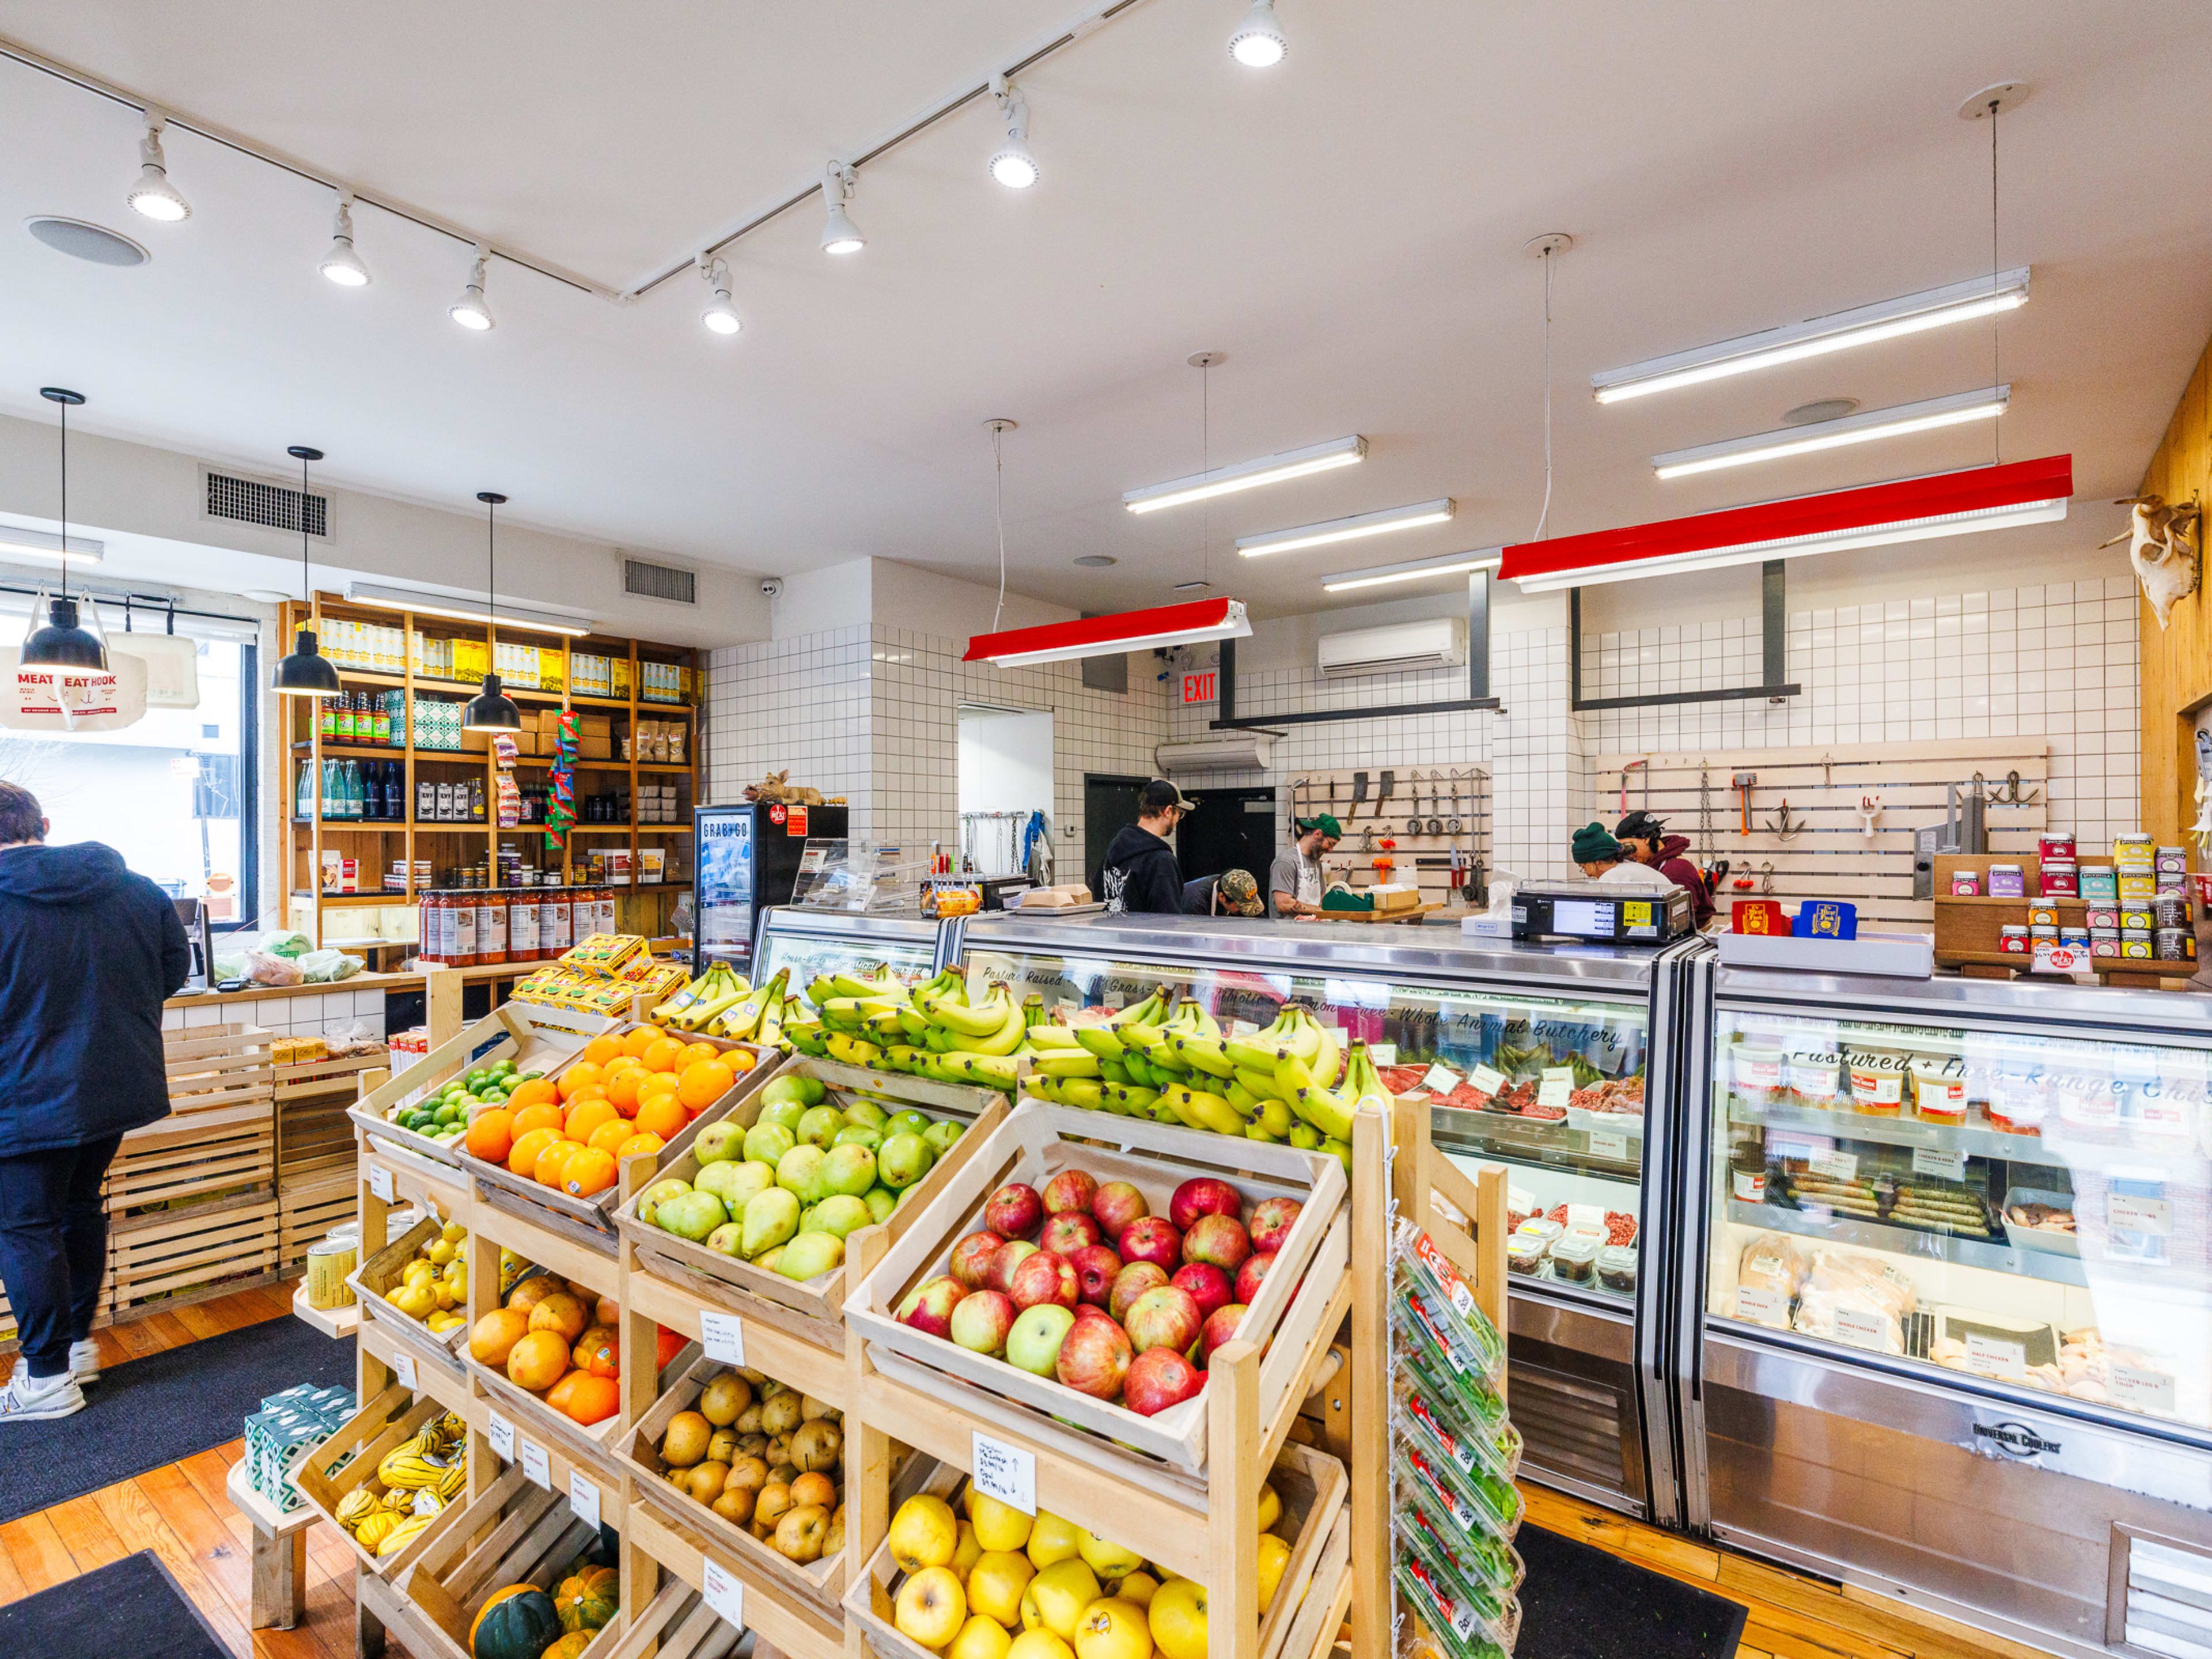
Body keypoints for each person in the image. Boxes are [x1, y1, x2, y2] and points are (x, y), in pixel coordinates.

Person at [0, 783, 189, 1422]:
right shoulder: (136, 890)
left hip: (21, 1097)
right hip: (113, 1088)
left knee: (27, 1227)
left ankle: (47, 1376)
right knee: (79, 1207)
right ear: (43, 824)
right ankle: (74, 1346)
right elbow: (171, 973)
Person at [1101, 779, 1196, 914]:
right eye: (1179, 814)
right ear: (1168, 811)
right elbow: (1168, 920)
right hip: (1144, 936)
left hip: (1111, 933)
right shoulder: (1162, 861)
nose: (1177, 820)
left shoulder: (1114, 849)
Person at [1615, 809, 1713, 926]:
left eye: (1629, 846)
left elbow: (1681, 920)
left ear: (1646, 839)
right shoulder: (1654, 864)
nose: (1629, 854)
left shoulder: (1677, 869)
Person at [1269, 815, 1342, 919]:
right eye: (1331, 844)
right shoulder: (1286, 862)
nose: (1331, 850)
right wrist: (1317, 911)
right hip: (1287, 932)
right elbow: (1283, 904)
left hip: (1311, 929)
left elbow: (1321, 899)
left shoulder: (1316, 863)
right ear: (1318, 834)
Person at [1570, 821, 1676, 890]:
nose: (1588, 875)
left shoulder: (1611, 879)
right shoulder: (1631, 868)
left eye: (1584, 867)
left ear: (1597, 861)